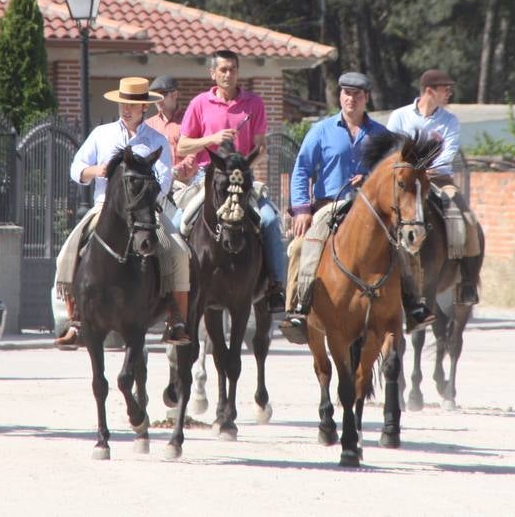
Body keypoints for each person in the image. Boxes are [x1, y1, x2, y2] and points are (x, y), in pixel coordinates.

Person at [278, 71, 436, 344]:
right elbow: (302, 169)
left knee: (404, 247)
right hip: (331, 204)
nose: (351, 99)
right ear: (340, 96)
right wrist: (302, 209)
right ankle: (299, 309)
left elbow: (396, 173)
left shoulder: (382, 134)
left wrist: (370, 179)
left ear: (366, 98)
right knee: (302, 246)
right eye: (346, 93)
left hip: (372, 209)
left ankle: (413, 304)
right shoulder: (320, 131)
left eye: (357, 95)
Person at [53, 76, 192, 349]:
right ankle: (75, 321)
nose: (126, 108)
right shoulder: (101, 134)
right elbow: (76, 167)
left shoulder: (158, 140)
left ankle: (176, 318)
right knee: (65, 254)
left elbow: (164, 180)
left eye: (132, 104)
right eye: (122, 103)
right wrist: (97, 170)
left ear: (144, 107)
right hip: (104, 207)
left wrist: (144, 194)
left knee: (178, 250)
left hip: (145, 210)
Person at [176, 50, 287, 311]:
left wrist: (245, 165)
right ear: (212, 74)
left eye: (233, 69)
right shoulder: (199, 103)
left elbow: (261, 150)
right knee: (178, 223)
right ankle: (175, 292)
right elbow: (182, 145)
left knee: (270, 221)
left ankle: (276, 286)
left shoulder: (254, 103)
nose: (228, 74)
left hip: (243, 180)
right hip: (209, 178)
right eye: (223, 69)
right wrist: (211, 140)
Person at [385, 69, 483, 306]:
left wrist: (425, 170)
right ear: (430, 90)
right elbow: (392, 149)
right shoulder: (399, 116)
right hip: (405, 182)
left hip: (439, 180)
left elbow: (448, 154)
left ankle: (468, 281)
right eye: (445, 89)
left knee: (468, 221)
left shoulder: (450, 120)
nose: (450, 93)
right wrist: (412, 171)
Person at [146, 75, 198, 185]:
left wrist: (179, 169)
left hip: (184, 184)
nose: (158, 100)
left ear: (175, 95)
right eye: (155, 96)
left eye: (162, 95)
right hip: (155, 183)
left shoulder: (189, 121)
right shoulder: (148, 125)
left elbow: (195, 151)